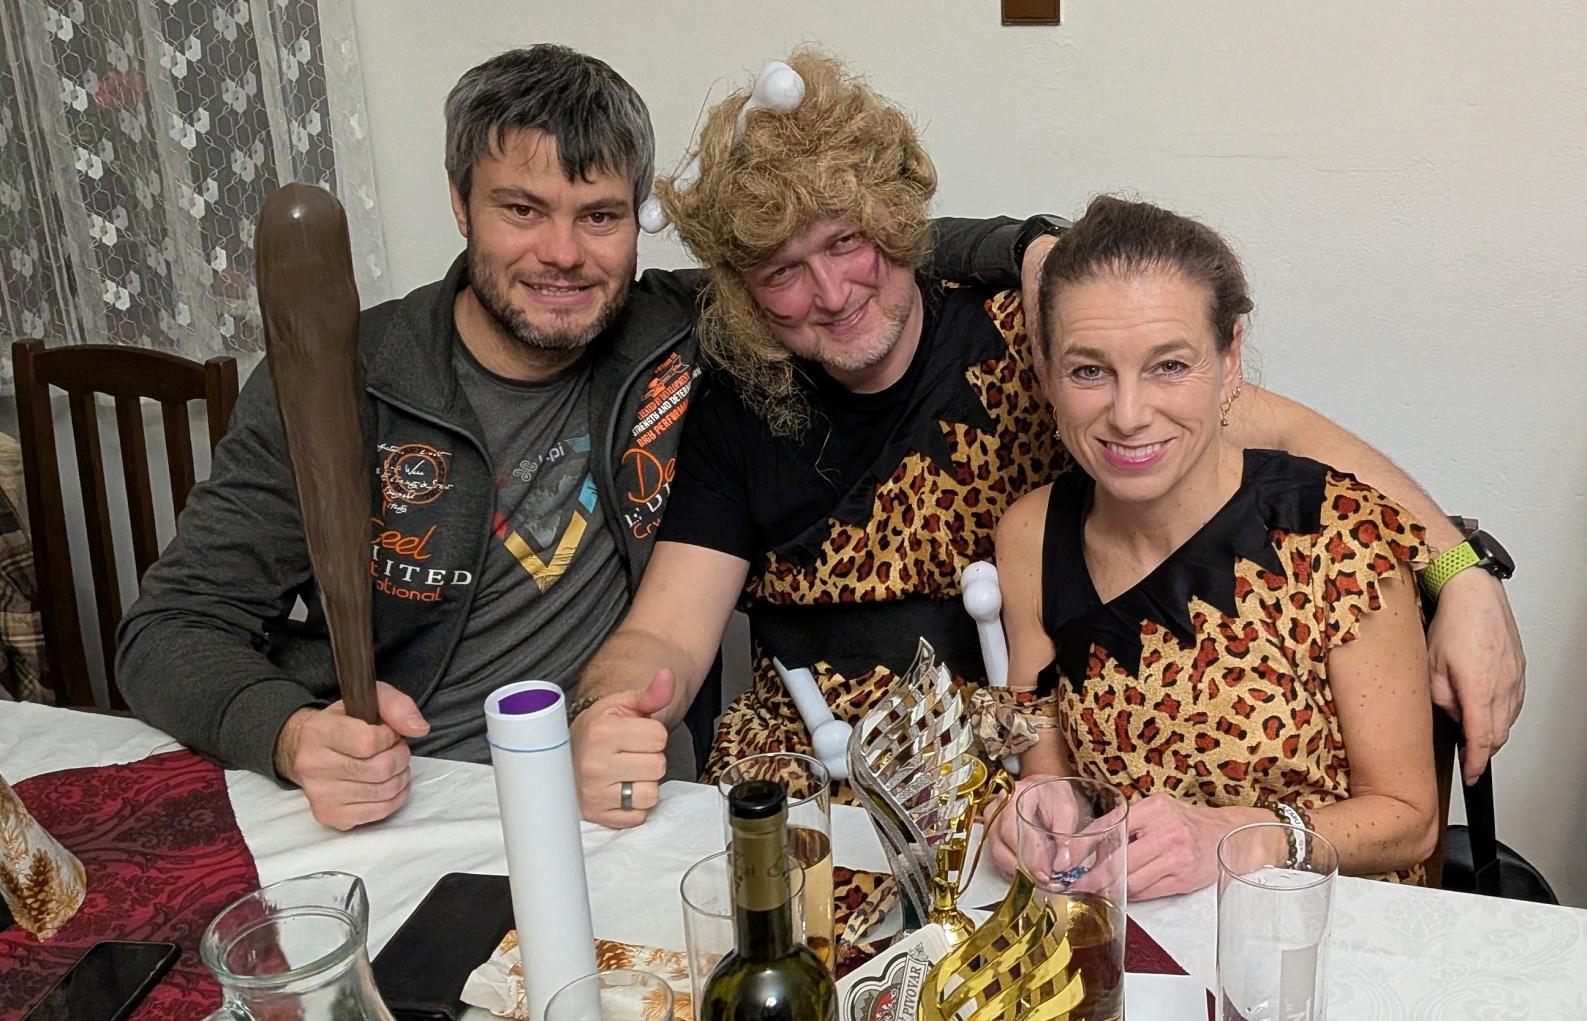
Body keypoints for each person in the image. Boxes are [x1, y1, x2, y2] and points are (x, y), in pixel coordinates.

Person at [569, 49, 1521, 829]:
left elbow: (1268, 431)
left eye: (846, 242)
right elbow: (665, 631)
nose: (829, 292)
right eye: (781, 271)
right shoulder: (744, 401)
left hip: (1013, 794)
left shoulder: (1036, 338)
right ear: (743, 290)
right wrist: (613, 707)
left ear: (896, 222)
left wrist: (1460, 573)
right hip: (817, 802)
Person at [113, 44, 1021, 830]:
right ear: (460, 204)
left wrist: (1035, 251)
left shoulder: (678, 330)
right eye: (522, 209)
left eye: (599, 216)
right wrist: (289, 732)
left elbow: (842, 244)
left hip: (605, 805)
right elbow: (167, 631)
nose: (563, 254)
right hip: (405, 793)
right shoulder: (346, 382)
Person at [984, 195, 1442, 894]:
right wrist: (1039, 810)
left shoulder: (1340, 531)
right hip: (1136, 924)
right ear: (1045, 372)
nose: (1129, 415)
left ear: (1230, 359)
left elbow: (1408, 821)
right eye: (1089, 371)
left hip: (1317, 922)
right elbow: (1046, 757)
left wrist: (1242, 837)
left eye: (1169, 365)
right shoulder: (1029, 535)